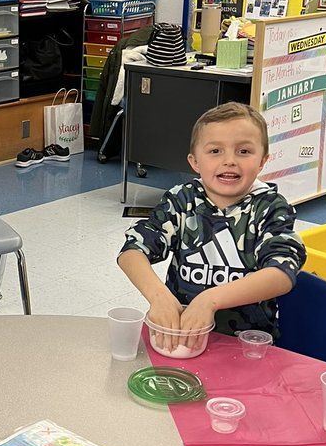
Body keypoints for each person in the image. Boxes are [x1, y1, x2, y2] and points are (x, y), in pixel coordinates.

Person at [117, 102, 305, 344]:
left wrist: (210, 300)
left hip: (247, 345)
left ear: (262, 161)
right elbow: (131, 252)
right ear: (194, 162)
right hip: (183, 337)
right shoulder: (181, 200)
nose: (229, 161)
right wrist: (158, 297)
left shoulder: (270, 208)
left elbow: (281, 273)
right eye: (215, 151)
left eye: (244, 151)